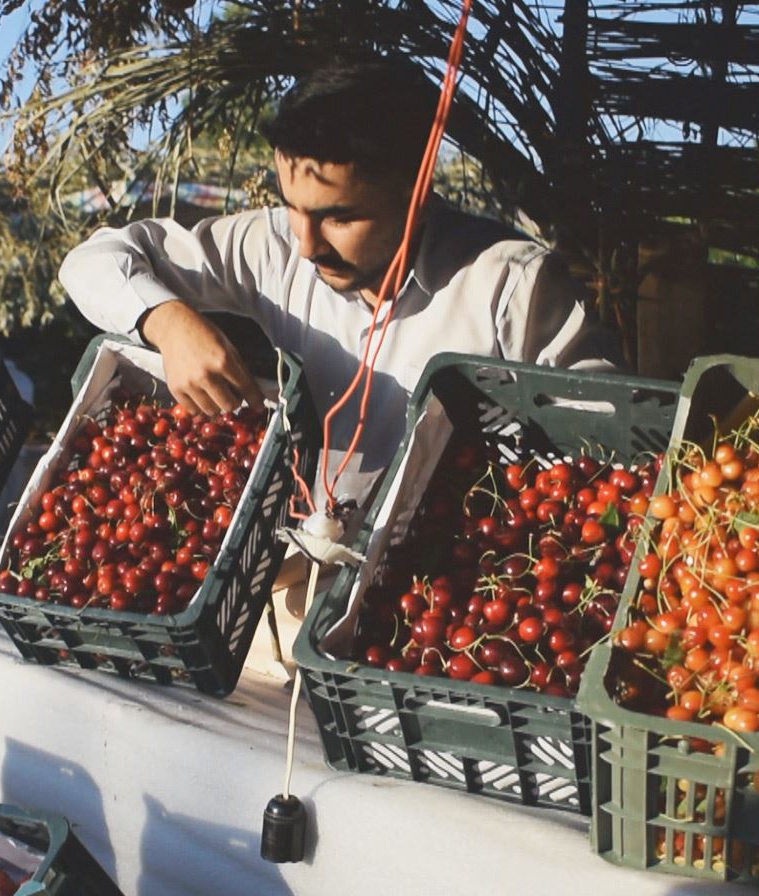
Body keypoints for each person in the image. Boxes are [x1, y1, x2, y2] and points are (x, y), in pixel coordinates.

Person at [59, 57, 620, 673]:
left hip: (431, 630)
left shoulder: (510, 286)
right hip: (278, 616)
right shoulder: (275, 248)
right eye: (292, 207)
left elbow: (602, 455)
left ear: (417, 190)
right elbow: (93, 259)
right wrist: (165, 320)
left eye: (340, 216)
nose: (307, 242)